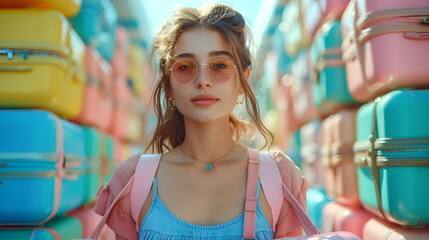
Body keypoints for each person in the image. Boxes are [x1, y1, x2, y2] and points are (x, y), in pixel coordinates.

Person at [94, 4, 308, 240]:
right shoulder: (131, 180)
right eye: (185, 67)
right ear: (168, 85)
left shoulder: (279, 176)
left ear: (243, 81)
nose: (203, 81)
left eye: (219, 66)